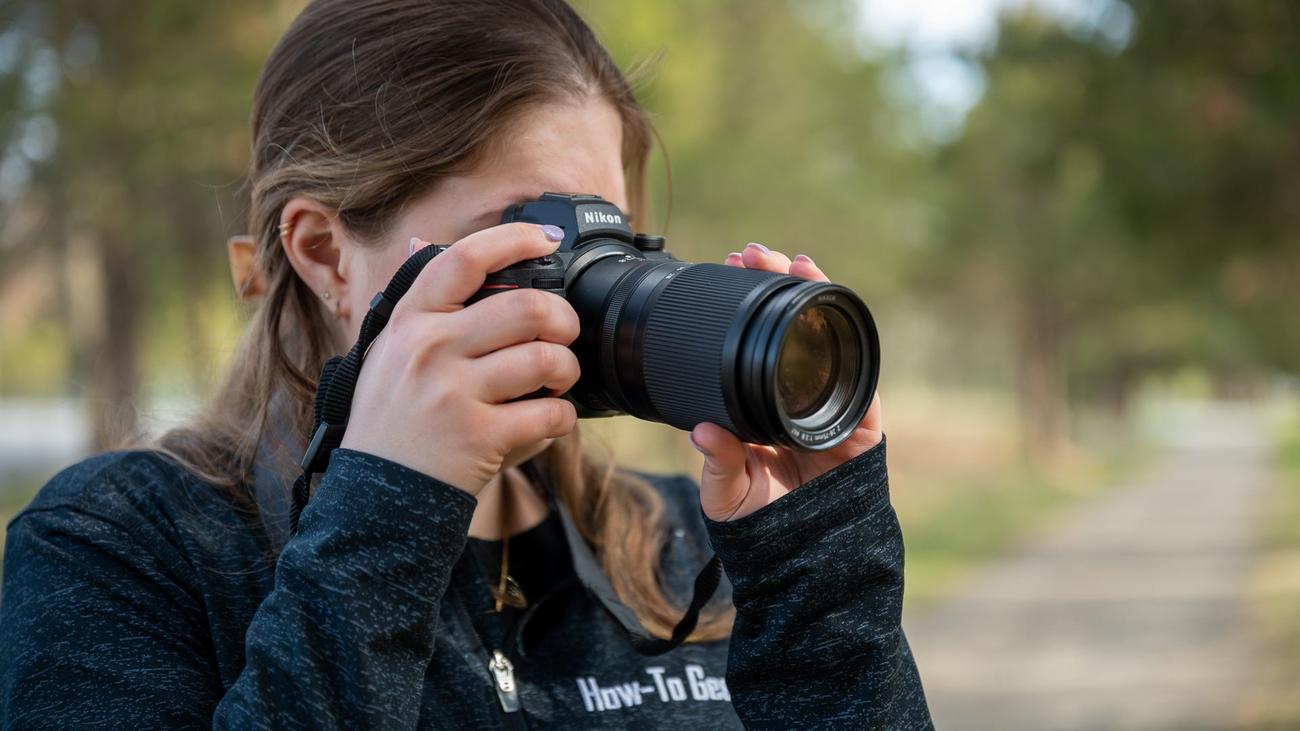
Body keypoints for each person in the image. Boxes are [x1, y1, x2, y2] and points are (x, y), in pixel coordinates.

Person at [0, 1, 931, 728]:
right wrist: (388, 511)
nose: (585, 294)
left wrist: (822, 580)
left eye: (612, 243)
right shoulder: (122, 547)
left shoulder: (687, 539)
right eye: (533, 240)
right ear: (324, 253)